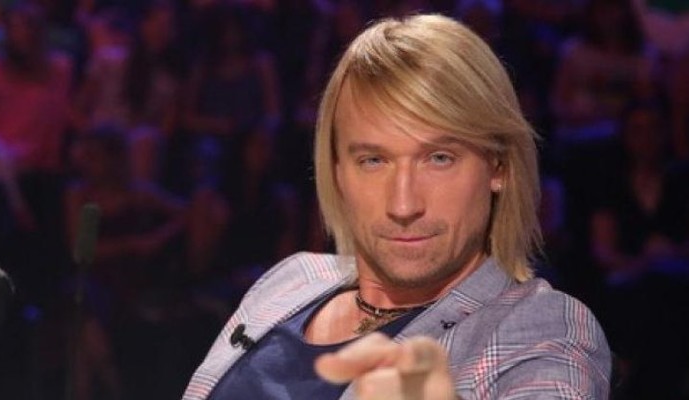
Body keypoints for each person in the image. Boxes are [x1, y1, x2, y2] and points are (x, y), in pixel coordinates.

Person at [182, 14, 611, 400]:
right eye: (373, 160)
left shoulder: (541, 327)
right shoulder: (291, 281)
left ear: (497, 165)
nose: (403, 205)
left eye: (439, 158)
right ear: (337, 170)